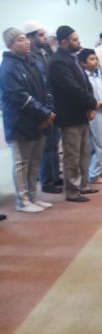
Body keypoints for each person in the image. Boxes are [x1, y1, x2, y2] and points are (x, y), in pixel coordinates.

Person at [0, 28, 55, 213]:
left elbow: (45, 88)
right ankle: (22, 201)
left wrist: (48, 111)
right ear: (10, 45)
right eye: (21, 39)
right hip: (20, 123)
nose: (27, 42)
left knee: (34, 162)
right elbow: (20, 97)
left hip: (39, 120)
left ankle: (33, 197)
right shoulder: (8, 67)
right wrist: (44, 114)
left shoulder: (31, 61)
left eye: (26, 39)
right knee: (22, 164)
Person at [48, 26, 98, 203]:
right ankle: (72, 190)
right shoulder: (58, 62)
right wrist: (91, 102)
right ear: (63, 42)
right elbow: (71, 88)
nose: (78, 42)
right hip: (69, 115)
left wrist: (91, 104)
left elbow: (85, 83)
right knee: (72, 155)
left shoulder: (73, 58)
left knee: (84, 152)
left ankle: (83, 185)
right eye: (74, 40)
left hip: (82, 112)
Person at [23, 20, 62, 195]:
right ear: (30, 38)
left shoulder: (45, 52)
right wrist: (45, 110)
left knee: (53, 144)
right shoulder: (30, 57)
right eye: (40, 35)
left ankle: (54, 176)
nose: (44, 37)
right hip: (41, 107)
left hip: (51, 104)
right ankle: (46, 181)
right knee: (45, 146)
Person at [78, 49, 102, 184]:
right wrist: (99, 103)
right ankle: (94, 174)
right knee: (99, 145)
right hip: (94, 114)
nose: (95, 62)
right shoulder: (83, 78)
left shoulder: (96, 76)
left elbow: (101, 93)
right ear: (83, 63)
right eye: (91, 59)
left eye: (96, 59)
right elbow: (86, 99)